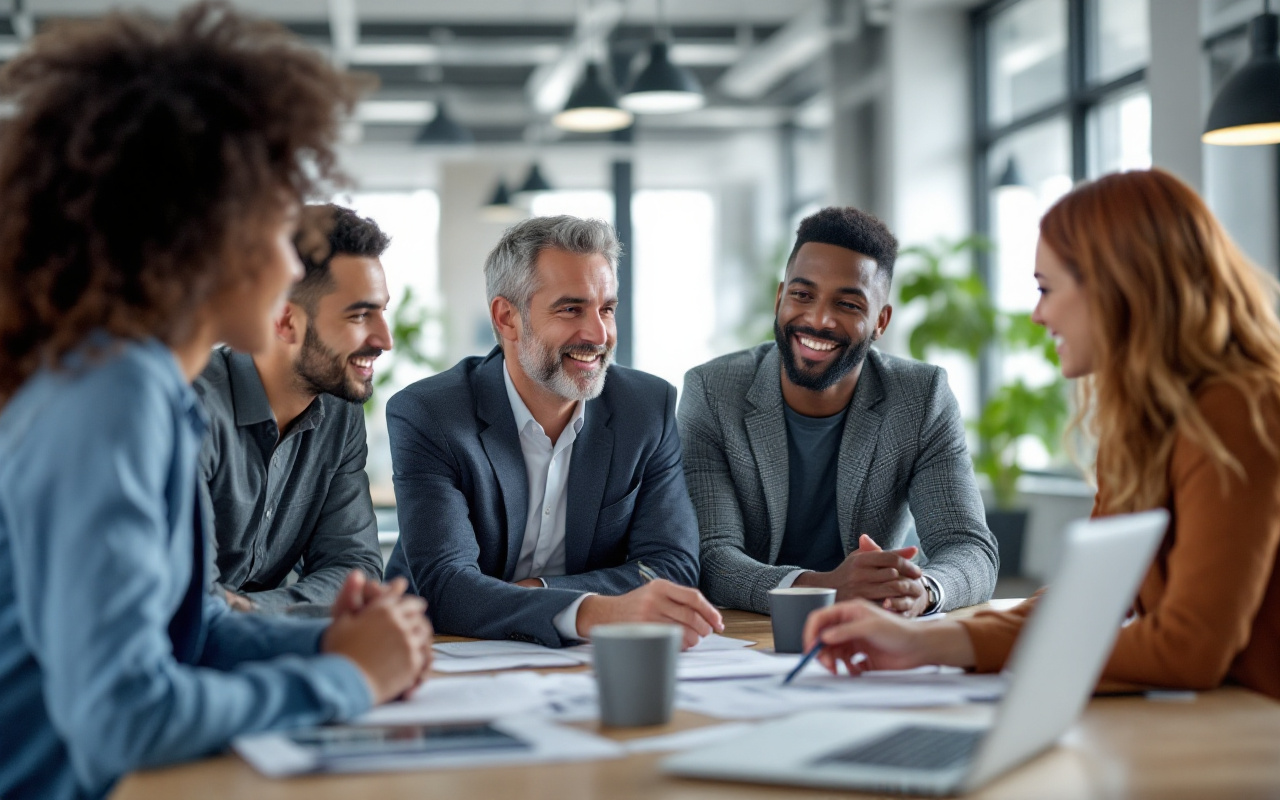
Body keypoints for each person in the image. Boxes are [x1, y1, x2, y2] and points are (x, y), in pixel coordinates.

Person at [0, 7, 432, 800]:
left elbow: (189, 635)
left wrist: (341, 645)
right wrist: (346, 680)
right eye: (277, 229)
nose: (284, 260)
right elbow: (123, 717)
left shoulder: (143, 387)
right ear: (207, 235)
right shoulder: (113, 396)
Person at [803, 169, 1280, 702]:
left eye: (1047, 289)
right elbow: (1087, 599)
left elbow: (1188, 648)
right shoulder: (1143, 427)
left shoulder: (1238, 409)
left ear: (1120, 286)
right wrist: (925, 640)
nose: (1038, 315)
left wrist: (937, 645)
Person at [385, 215, 722, 649]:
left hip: (586, 661)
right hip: (441, 652)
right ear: (507, 318)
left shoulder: (646, 408)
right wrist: (591, 610)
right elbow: (448, 587)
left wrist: (541, 594)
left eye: (607, 309)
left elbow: (669, 566)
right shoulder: (431, 414)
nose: (599, 334)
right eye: (571, 309)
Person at [679, 207, 998, 617]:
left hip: (873, 627)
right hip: (751, 629)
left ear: (880, 320)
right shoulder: (713, 391)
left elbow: (968, 547)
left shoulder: (921, 397)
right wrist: (824, 587)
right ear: (780, 298)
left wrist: (923, 591)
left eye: (847, 304)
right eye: (802, 295)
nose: (818, 319)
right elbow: (712, 556)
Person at [196, 204, 390, 613]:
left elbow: (356, 569)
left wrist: (254, 612)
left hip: (258, 647)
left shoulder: (341, 413)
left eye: (382, 312)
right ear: (285, 322)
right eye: (359, 315)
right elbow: (181, 598)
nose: (384, 339)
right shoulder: (194, 407)